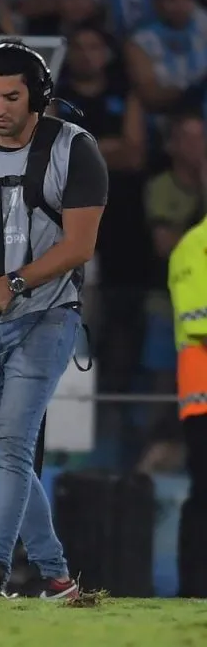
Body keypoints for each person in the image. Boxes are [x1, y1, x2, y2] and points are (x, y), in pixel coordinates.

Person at [0, 38, 109, 598]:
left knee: (11, 446)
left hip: (50, 315)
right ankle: (57, 576)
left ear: (37, 96)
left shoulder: (77, 150)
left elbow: (80, 246)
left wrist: (8, 284)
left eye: (11, 96)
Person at [168, 214, 207, 597]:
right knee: (205, 494)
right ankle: (195, 589)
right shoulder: (195, 247)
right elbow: (198, 322)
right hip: (203, 399)